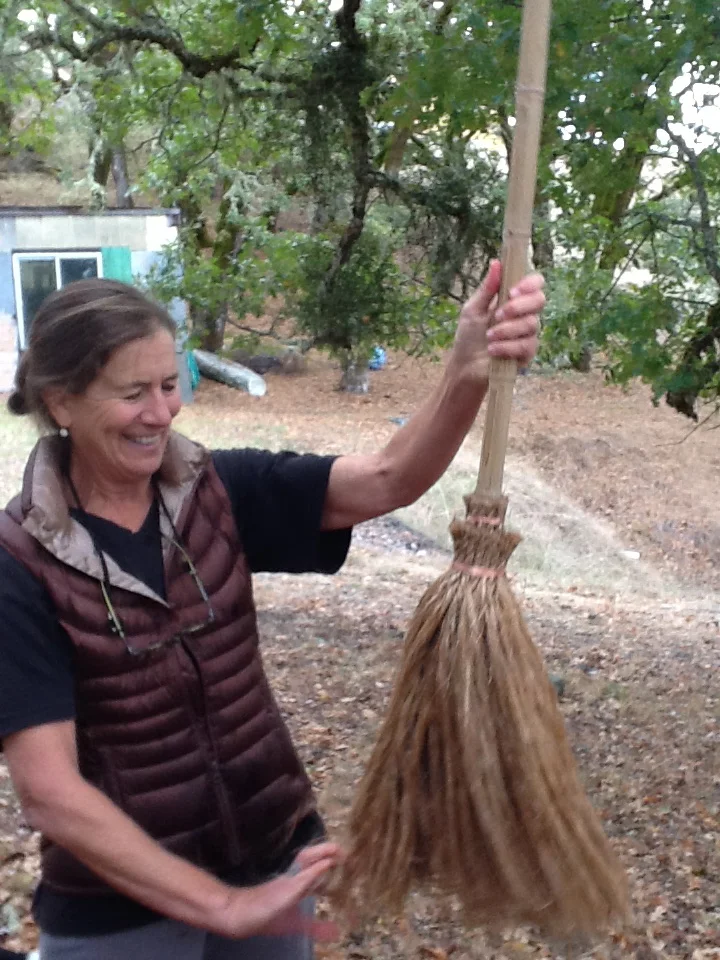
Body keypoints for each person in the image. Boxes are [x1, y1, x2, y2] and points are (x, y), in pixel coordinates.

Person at [0, 261, 543, 960]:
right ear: (61, 402)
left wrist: (467, 370)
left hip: (271, 859)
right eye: (133, 393)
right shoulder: (19, 563)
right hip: (118, 912)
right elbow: (49, 792)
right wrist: (221, 906)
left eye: (171, 386)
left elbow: (388, 479)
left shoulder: (218, 490)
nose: (161, 413)